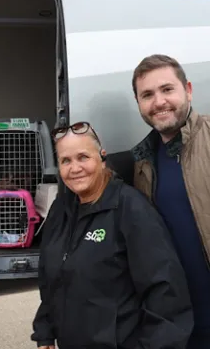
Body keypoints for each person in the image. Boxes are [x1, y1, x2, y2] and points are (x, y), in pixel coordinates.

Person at [31, 121, 193, 349]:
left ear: (102, 157)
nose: (74, 168)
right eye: (65, 161)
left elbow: (166, 292)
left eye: (83, 157)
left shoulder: (131, 208)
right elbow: (49, 278)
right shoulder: (61, 209)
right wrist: (45, 332)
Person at [131, 54, 210, 348]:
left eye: (167, 89)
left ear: (187, 90)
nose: (159, 101)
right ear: (138, 103)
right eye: (147, 94)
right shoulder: (143, 162)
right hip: (179, 328)